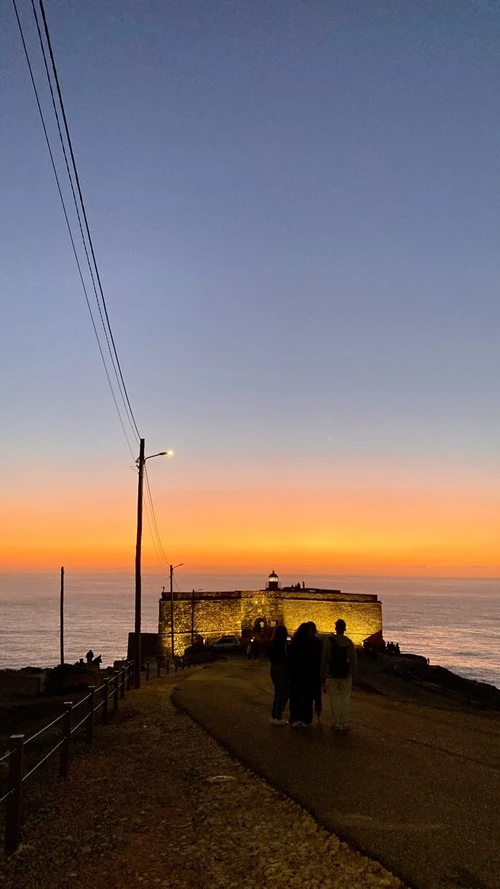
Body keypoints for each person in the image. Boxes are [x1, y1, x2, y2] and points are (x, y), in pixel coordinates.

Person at [321, 618, 357, 731]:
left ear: (335, 628)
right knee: (345, 699)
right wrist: (350, 672)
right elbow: (354, 660)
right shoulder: (349, 642)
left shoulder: (329, 641)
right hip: (346, 675)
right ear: (344, 629)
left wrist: (323, 675)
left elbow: (324, 659)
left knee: (335, 699)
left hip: (333, 675)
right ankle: (345, 722)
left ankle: (337, 723)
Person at [288, 622, 320, 727]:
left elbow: (290, 659)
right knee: (307, 698)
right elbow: (314, 660)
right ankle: (306, 719)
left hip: (295, 674)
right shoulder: (311, 644)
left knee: (295, 697)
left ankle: (294, 719)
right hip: (308, 674)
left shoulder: (294, 643)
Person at [268, 625, 289, 725]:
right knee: (283, 693)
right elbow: (287, 656)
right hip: (282, 668)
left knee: (277, 692)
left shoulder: (272, 643)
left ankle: (274, 715)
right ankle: (277, 716)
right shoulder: (284, 644)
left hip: (273, 667)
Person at [307, 622, 323, 723]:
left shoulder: (303, 643)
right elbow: (322, 659)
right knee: (317, 695)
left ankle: (307, 717)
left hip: (306, 672)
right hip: (316, 672)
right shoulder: (319, 643)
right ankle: (318, 716)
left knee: (307, 695)